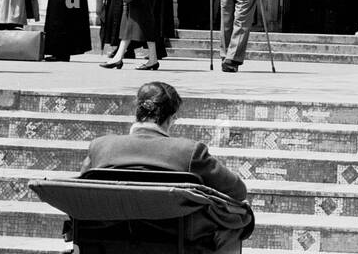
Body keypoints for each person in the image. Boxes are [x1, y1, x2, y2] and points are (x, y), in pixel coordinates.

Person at [81, 81, 252, 216]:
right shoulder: (190, 152)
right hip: (176, 242)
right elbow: (237, 190)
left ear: (137, 111)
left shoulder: (100, 146)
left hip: (107, 237)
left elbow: (80, 191)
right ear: (171, 118)